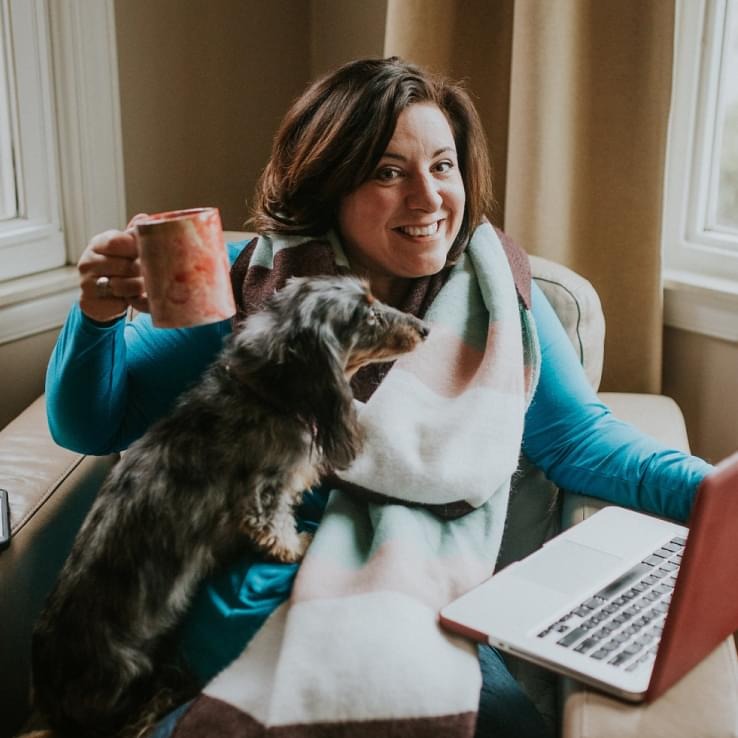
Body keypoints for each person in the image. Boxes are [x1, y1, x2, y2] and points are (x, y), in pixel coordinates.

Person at [46, 58, 711, 738]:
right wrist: (98, 313)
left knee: (504, 723)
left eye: (443, 166)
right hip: (257, 587)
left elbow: (582, 444)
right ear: (330, 185)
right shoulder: (253, 289)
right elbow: (92, 425)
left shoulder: (497, 303)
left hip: (419, 584)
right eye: (389, 173)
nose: (428, 198)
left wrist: (715, 495)